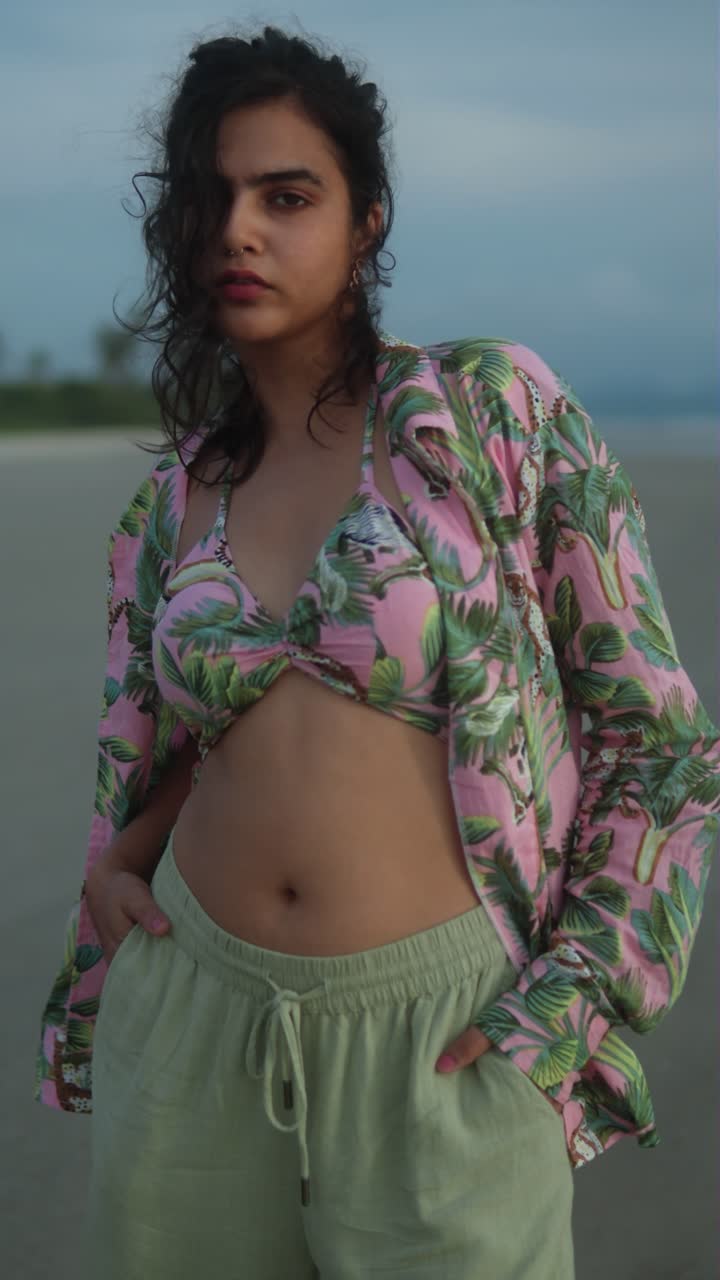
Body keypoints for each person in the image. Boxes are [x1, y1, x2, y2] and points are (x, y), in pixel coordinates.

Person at [35, 22, 720, 1280]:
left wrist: (561, 1010)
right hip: (189, 1027)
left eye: (287, 195)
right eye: (213, 197)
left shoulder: (492, 415)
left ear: (366, 223)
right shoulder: (170, 504)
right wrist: (118, 868)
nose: (240, 228)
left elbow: (660, 744)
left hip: (446, 1039)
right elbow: (174, 749)